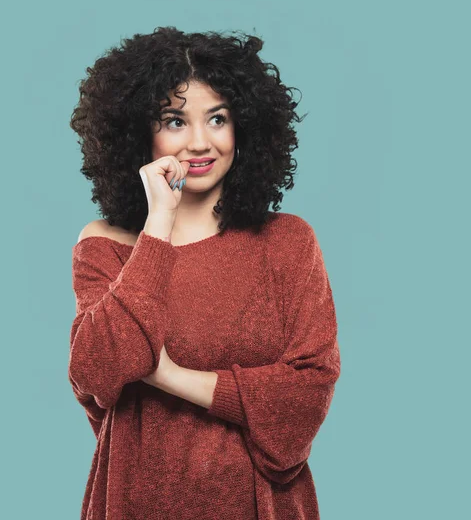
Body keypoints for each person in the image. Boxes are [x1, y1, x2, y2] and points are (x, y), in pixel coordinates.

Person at [68, 27, 341, 519]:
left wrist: (169, 375)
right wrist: (158, 225)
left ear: (244, 128)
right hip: (135, 501)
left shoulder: (287, 241)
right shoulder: (105, 245)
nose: (199, 142)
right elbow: (96, 373)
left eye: (217, 118)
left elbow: (307, 392)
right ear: (138, 134)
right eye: (174, 120)